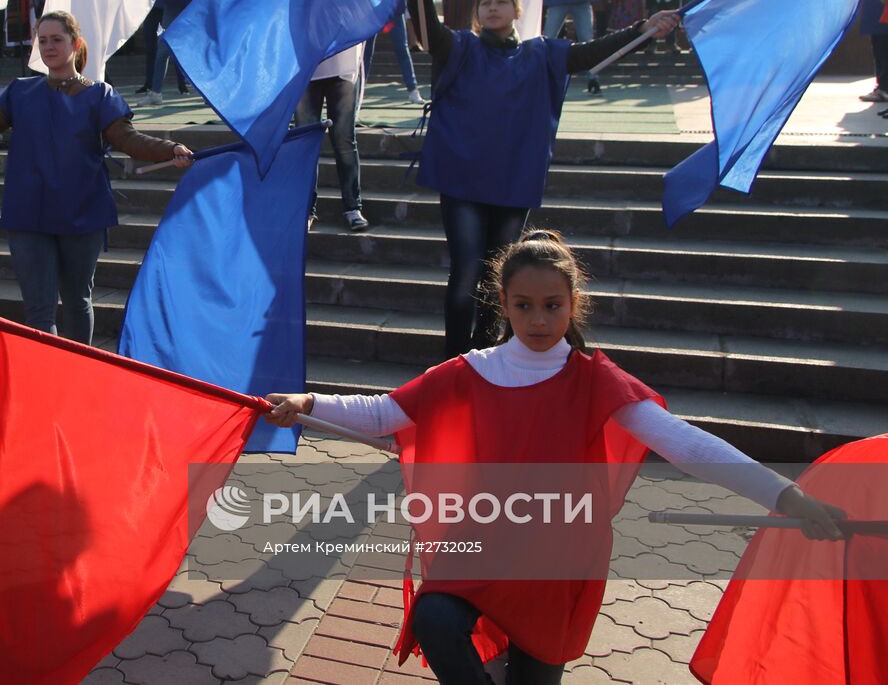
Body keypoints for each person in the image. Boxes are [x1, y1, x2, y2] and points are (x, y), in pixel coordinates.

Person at [263, 229, 845, 685]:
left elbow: (688, 444)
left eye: (552, 305)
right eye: (524, 306)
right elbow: (384, 415)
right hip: (483, 544)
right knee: (436, 620)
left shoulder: (597, 382)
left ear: (574, 303)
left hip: (558, 563)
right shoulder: (471, 371)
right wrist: (306, 400)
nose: (539, 320)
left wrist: (787, 494)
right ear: (503, 304)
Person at [404, 0, 679, 357]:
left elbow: (590, 53)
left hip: (512, 180)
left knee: (495, 275)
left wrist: (644, 29)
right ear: (477, 14)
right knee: (465, 271)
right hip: (462, 177)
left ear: (517, 10)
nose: (493, 8)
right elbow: (431, 36)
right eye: (486, 3)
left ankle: (483, 356)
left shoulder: (542, 54)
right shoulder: (462, 47)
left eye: (501, 1)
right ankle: (453, 361)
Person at [0, 11, 192, 343]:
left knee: (78, 301)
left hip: (82, 212)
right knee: (39, 309)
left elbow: (129, 140)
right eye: (43, 40)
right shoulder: (21, 92)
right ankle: (47, 382)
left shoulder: (100, 95)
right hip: (29, 213)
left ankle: (79, 375)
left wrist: (171, 148)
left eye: (57, 39)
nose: (48, 46)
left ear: (75, 44)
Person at [297, 44, 370, 232]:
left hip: (343, 66)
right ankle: (306, 210)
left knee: (344, 140)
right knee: (305, 144)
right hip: (306, 65)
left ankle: (353, 207)